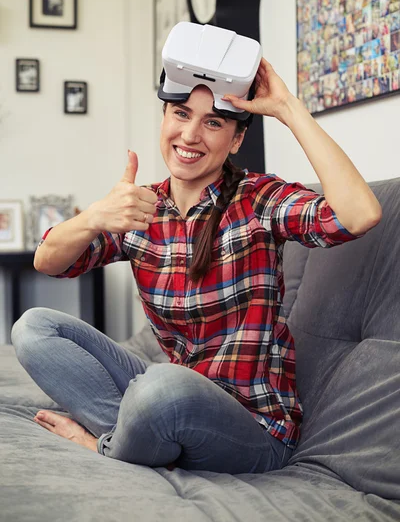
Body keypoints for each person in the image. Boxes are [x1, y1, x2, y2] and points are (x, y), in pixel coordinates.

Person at [11, 53, 382, 475]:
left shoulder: (257, 200)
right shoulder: (141, 208)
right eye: (181, 113)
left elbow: (359, 214)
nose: (190, 135)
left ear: (236, 139)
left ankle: (108, 444)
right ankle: (140, 433)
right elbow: (49, 261)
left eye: (212, 122)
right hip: (174, 397)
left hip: (254, 428)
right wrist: (94, 216)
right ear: (165, 116)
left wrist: (287, 109)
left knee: (159, 387)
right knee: (34, 328)